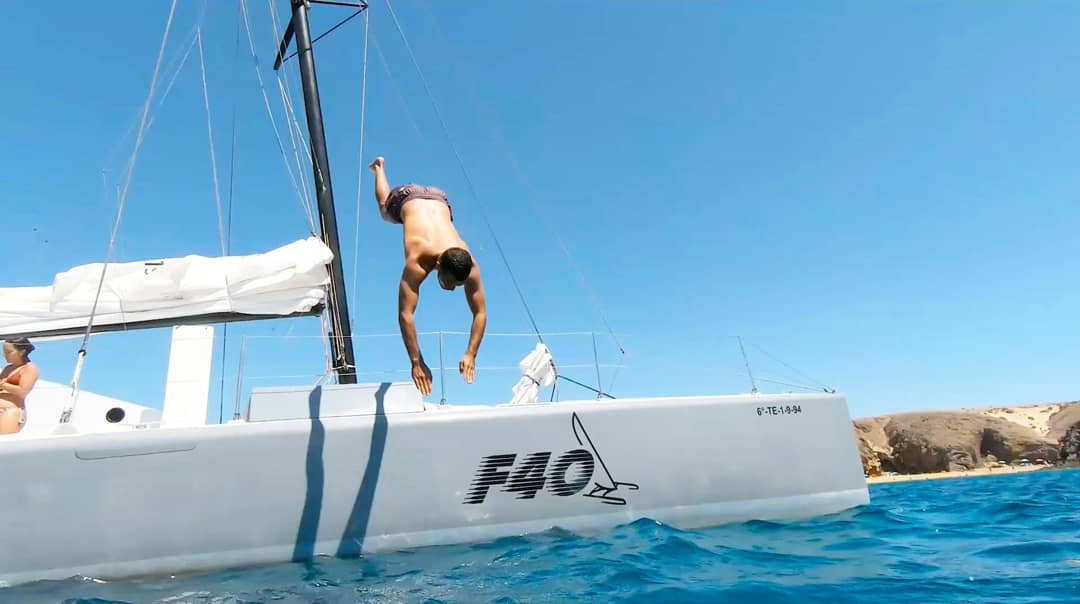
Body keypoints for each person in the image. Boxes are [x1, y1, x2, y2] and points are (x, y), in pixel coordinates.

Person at [369, 156, 487, 396]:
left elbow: (480, 312)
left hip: (439, 199)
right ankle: (379, 168)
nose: (453, 289)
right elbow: (405, 315)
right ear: (437, 262)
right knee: (384, 210)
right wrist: (416, 362)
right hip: (409, 196)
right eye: (448, 282)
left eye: (457, 284)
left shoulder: (469, 263)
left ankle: (380, 167)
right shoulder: (418, 262)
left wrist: (471, 353)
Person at [0, 337, 39, 435]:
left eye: (9, 352)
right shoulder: (7, 368)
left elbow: (23, 392)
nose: (5, 355)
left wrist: (3, 384)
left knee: (4, 444)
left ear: (22, 352)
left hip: (10, 411)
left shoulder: (30, 368)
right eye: (4, 352)